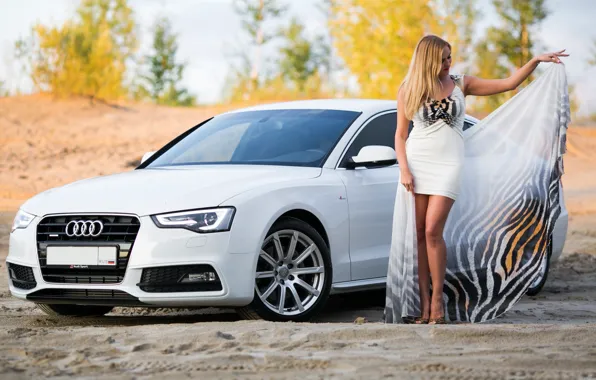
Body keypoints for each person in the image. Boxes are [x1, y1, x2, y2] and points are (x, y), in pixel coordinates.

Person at [389, 34, 568, 324]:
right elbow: (399, 135)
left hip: (448, 164)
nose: (449, 63)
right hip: (417, 162)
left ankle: (437, 303)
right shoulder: (408, 88)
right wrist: (404, 169)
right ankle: (423, 307)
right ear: (429, 59)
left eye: (450, 57)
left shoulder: (461, 83)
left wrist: (535, 61)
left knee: (433, 230)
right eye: (444, 58)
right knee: (419, 235)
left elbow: (508, 84)